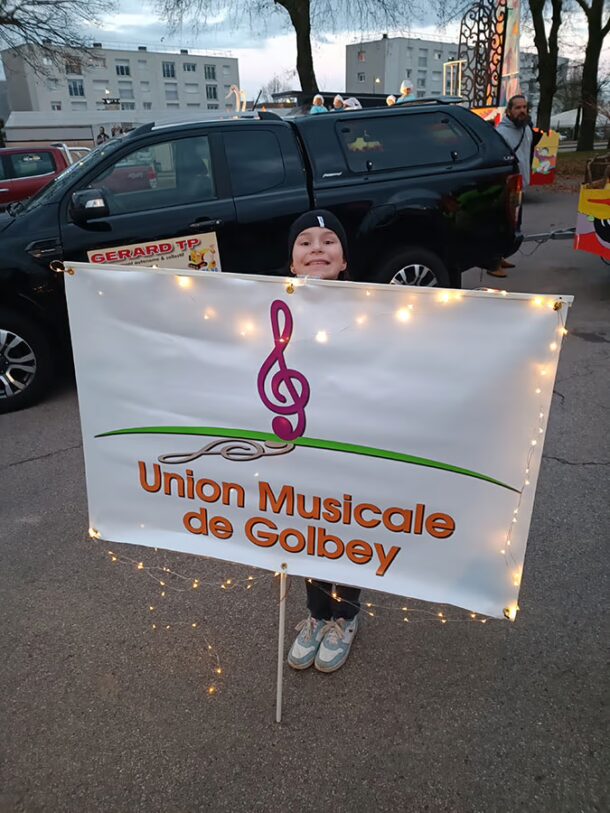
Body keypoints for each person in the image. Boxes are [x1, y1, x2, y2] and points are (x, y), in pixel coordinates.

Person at [285, 210, 360, 673]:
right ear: (291, 263)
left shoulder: (371, 308)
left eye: (329, 241)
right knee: (305, 533)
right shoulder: (272, 312)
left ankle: (345, 617)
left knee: (349, 529)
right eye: (305, 242)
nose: (317, 248)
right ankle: (316, 614)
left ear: (344, 259)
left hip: (350, 446)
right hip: (297, 447)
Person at [487, 94, 542, 278]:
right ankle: (492, 263)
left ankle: (501, 256)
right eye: (518, 108)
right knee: (500, 225)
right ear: (509, 111)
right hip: (506, 187)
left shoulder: (526, 129)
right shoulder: (501, 133)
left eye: (524, 107)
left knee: (512, 226)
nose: (522, 111)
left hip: (519, 185)